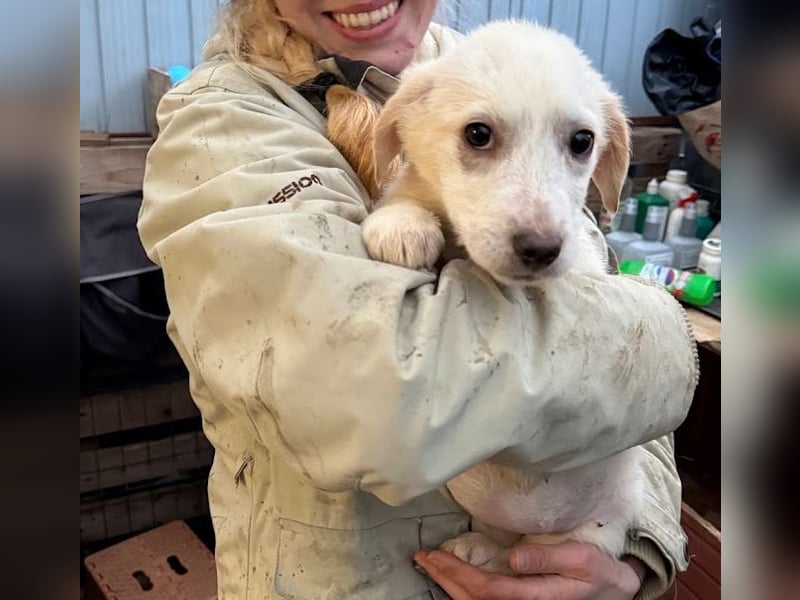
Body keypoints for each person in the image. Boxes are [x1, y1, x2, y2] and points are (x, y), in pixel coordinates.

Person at [138, 1, 698, 598]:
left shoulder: (520, 70)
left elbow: (635, 413)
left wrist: (630, 548)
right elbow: (380, 395)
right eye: (480, 136)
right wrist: (666, 332)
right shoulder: (223, 124)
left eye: (579, 142)